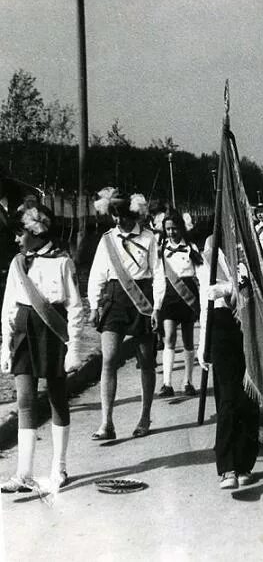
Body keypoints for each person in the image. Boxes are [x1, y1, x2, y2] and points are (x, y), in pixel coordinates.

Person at [0, 206, 82, 493]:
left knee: (57, 399)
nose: (15, 239)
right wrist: (6, 349)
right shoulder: (17, 263)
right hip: (24, 335)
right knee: (24, 401)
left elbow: (75, 307)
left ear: (35, 232)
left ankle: (58, 467)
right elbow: (8, 307)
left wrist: (74, 348)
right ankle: (24, 473)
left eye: (19, 233)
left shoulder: (62, 262)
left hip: (52, 335)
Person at [87, 188, 165, 440]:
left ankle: (144, 417)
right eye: (114, 214)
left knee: (146, 361)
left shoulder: (150, 239)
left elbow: (159, 274)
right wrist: (94, 305)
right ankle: (106, 422)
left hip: (142, 300)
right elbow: (97, 274)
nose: (118, 220)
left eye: (122, 215)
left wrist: (157, 307)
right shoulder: (107, 239)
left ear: (134, 214)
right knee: (108, 360)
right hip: (114, 300)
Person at [197, 237, 260, 490]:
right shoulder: (208, 260)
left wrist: (228, 289)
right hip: (221, 325)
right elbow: (205, 305)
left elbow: (259, 289)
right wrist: (203, 344)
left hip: (248, 322)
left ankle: (245, 464)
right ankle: (227, 467)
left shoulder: (248, 253)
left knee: (248, 396)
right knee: (228, 397)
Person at [156, 209, 202, 397]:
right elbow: (158, 275)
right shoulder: (160, 249)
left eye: (174, 229)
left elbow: (201, 272)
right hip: (168, 294)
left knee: (189, 339)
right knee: (169, 337)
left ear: (181, 229)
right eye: (167, 229)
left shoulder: (191, 247)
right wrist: (157, 304)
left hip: (188, 294)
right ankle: (167, 383)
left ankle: (188, 381)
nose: (171, 233)